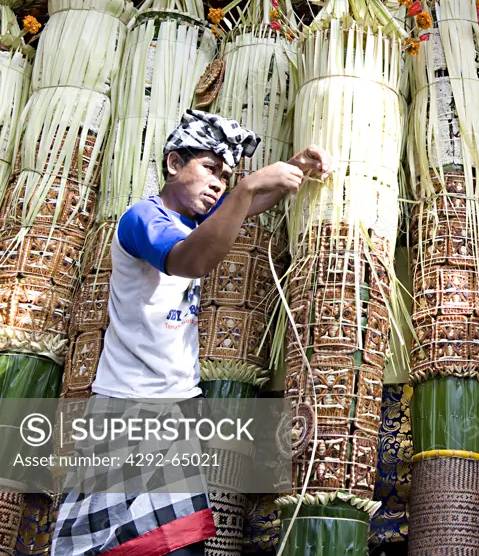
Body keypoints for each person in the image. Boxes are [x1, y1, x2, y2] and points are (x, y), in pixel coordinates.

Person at [53, 109, 332, 556]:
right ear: (172, 163)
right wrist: (246, 187)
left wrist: (292, 172)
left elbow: (239, 210)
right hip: (127, 408)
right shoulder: (142, 219)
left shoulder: (193, 222)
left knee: (176, 544)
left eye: (226, 174)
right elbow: (191, 260)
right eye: (209, 168)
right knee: (101, 546)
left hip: (172, 408)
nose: (219, 182)